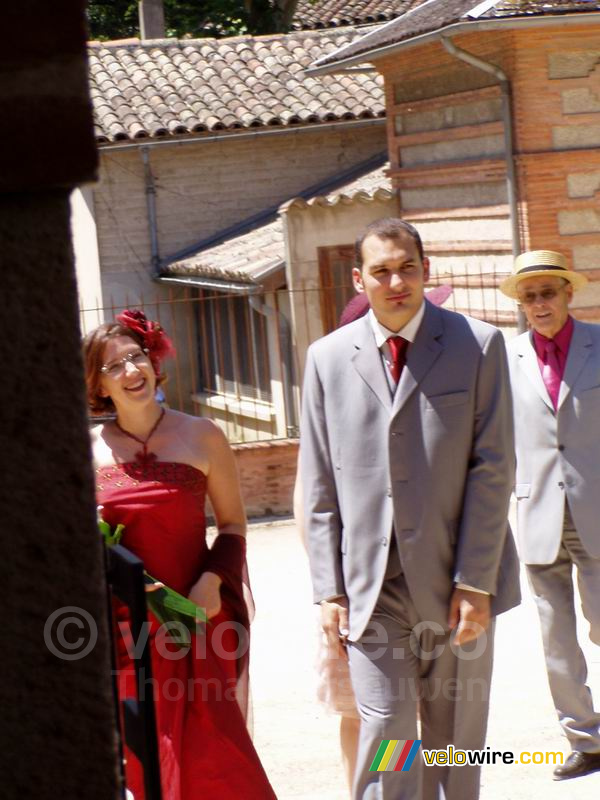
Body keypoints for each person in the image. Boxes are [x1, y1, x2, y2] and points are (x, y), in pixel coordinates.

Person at [300, 217, 520, 800]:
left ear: (426, 272)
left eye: (407, 268)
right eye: (381, 271)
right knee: (389, 733)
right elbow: (318, 481)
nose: (396, 281)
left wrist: (475, 582)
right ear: (359, 279)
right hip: (372, 591)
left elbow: (493, 469)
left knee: (453, 742)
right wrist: (328, 589)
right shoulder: (325, 360)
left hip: (457, 583)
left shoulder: (477, 345)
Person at [84, 309, 276, 800]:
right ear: (99, 385)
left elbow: (233, 524)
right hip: (127, 632)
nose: (131, 371)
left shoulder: (203, 435)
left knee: (218, 758)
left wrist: (213, 582)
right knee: (148, 759)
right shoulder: (89, 453)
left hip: (195, 619)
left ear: (152, 361)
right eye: (114, 366)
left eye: (136, 357)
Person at [500, 250, 600, 781]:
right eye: (529, 295)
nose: (539, 304)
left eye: (547, 292)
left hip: (598, 511)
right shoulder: (504, 359)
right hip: (537, 515)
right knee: (555, 635)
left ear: (568, 293)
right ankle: (585, 738)